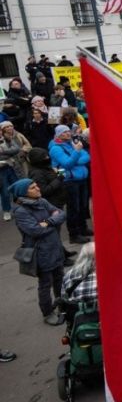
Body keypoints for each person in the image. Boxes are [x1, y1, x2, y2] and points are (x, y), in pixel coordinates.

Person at [10, 179, 67, 325]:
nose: (38, 188)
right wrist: (53, 219)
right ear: (24, 193)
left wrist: (48, 222)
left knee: (60, 280)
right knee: (45, 284)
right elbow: (35, 230)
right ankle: (47, 313)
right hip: (41, 252)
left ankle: (62, 306)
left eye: (36, 185)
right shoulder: (21, 211)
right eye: (32, 187)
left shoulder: (41, 201)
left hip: (55, 247)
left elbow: (61, 213)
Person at [47, 125, 91, 244]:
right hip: (69, 181)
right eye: (65, 132)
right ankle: (74, 234)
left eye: (68, 131)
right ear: (59, 135)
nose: (68, 133)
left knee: (83, 206)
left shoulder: (72, 143)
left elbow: (87, 157)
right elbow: (66, 164)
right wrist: (76, 153)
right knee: (73, 208)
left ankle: (83, 228)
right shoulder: (55, 148)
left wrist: (75, 159)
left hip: (81, 179)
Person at [0, 121, 31, 221]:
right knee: (5, 191)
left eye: (10, 126)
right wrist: (9, 153)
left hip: (13, 166)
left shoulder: (8, 138)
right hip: (1, 169)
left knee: (19, 187)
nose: (9, 128)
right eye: (6, 127)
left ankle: (22, 208)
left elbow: (16, 149)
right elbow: (12, 151)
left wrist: (3, 152)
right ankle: (6, 211)